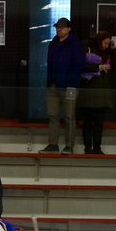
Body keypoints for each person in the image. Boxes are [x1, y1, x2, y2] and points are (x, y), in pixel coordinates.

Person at [42, 17, 84, 154]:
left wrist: (68, 79)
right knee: (52, 115)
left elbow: (79, 65)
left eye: (62, 27)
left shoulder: (75, 44)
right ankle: (53, 144)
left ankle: (69, 145)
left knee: (69, 116)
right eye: (57, 27)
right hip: (54, 84)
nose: (59, 29)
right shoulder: (53, 43)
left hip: (69, 86)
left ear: (69, 29)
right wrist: (50, 81)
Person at [77, 31, 115, 154]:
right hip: (89, 90)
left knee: (99, 123)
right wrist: (98, 67)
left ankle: (97, 147)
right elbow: (80, 66)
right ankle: (88, 147)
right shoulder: (87, 48)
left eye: (108, 44)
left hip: (102, 93)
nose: (106, 46)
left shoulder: (109, 52)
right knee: (88, 122)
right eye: (105, 43)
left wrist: (115, 49)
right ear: (99, 41)